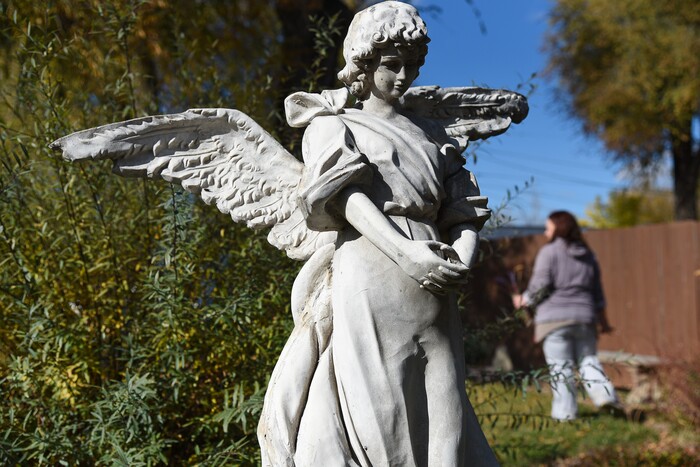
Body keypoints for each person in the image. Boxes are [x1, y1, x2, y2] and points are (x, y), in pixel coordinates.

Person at [260, 2, 498, 465]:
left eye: (413, 65)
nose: (404, 75)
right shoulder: (332, 125)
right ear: (363, 63)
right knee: (386, 426)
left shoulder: (430, 132)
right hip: (373, 270)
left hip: (437, 282)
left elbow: (463, 210)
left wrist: (462, 258)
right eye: (392, 65)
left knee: (447, 421)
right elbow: (345, 199)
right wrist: (408, 254)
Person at [512, 211, 621, 421]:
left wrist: (523, 300)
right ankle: (606, 397)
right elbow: (598, 293)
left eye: (548, 228)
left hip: (554, 320)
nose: (545, 233)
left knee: (561, 368)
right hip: (585, 318)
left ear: (558, 228)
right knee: (588, 361)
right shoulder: (589, 256)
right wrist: (604, 322)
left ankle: (565, 414)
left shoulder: (549, 252)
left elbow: (539, 287)